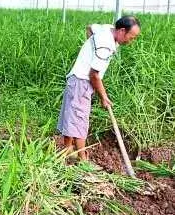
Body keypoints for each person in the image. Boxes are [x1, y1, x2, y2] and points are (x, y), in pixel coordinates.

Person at [57, 16, 141, 161]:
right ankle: (83, 160)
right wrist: (103, 97)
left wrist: (90, 49)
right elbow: (94, 75)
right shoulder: (105, 46)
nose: (130, 41)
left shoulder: (107, 29)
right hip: (81, 82)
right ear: (122, 31)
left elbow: (90, 27)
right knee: (80, 120)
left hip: (77, 79)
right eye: (131, 37)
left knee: (72, 116)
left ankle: (67, 150)